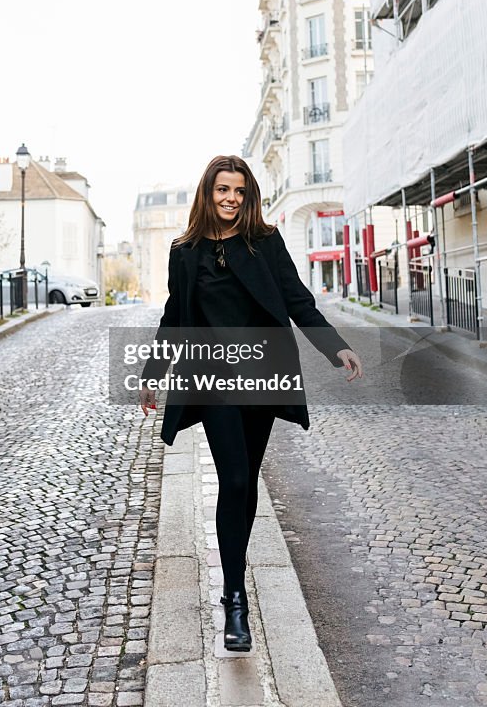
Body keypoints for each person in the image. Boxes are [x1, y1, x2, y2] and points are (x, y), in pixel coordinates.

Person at [139, 154, 363, 653]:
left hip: (263, 375)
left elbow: (296, 298)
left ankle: (235, 580)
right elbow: (176, 314)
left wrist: (335, 345)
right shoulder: (185, 250)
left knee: (247, 482)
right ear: (208, 193)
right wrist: (155, 371)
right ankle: (234, 599)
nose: (231, 198)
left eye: (239, 191)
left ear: (248, 195)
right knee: (235, 479)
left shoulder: (264, 243)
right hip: (212, 377)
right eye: (223, 190)